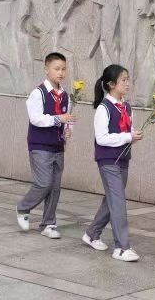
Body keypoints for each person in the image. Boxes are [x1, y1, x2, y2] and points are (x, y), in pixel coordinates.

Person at [83, 63, 142, 262]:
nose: (127, 84)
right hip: (108, 161)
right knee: (118, 202)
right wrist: (127, 137)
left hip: (123, 158)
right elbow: (102, 138)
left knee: (111, 200)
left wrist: (132, 136)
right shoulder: (103, 108)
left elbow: (127, 130)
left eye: (127, 79)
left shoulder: (126, 106)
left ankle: (92, 234)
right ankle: (122, 247)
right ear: (110, 84)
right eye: (123, 80)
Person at [16, 52, 76, 238]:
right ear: (46, 69)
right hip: (40, 145)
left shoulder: (65, 95)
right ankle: (23, 208)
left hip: (58, 146)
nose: (60, 73)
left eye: (63, 69)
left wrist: (68, 128)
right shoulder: (38, 93)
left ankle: (48, 223)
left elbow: (68, 119)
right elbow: (36, 119)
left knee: (55, 187)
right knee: (43, 183)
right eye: (56, 69)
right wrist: (59, 118)